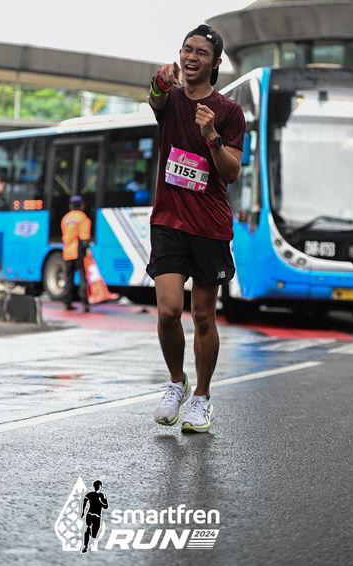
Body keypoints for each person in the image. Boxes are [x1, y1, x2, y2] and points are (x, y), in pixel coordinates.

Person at [147, 24, 245, 433]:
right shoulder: (170, 99)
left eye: (201, 52)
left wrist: (211, 136)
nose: (191, 57)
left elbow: (231, 172)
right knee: (169, 310)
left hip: (209, 225)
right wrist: (158, 79)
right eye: (187, 49)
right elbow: (153, 96)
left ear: (215, 62)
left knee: (203, 316)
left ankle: (201, 397)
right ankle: (177, 382)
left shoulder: (229, 112)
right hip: (168, 220)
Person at [60, 195, 92, 312]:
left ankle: (67, 302)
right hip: (78, 251)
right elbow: (84, 237)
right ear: (82, 205)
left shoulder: (65, 218)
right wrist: (87, 250)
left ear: (71, 206)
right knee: (83, 277)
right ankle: (85, 303)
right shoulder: (82, 218)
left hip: (67, 251)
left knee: (68, 278)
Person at [80, 480, 108, 553]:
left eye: (98, 486)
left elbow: (106, 506)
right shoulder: (91, 494)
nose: (97, 487)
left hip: (96, 517)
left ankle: (88, 541)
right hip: (91, 515)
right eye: (96, 486)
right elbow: (84, 501)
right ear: (95, 487)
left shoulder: (102, 495)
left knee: (94, 535)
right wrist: (82, 511)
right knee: (88, 528)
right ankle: (85, 546)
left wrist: (100, 501)